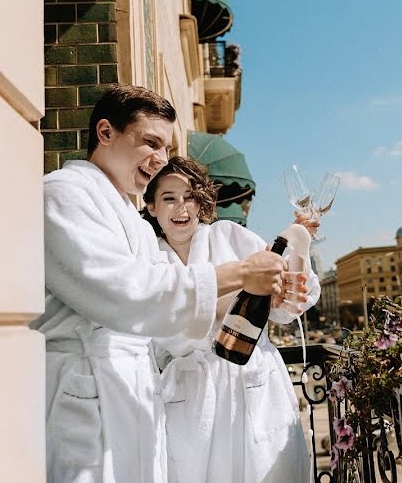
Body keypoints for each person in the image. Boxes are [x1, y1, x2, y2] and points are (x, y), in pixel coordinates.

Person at [31, 85, 288, 483]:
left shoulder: (131, 219)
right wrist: (239, 275)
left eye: (166, 148)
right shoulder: (63, 195)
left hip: (135, 396)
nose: (160, 160)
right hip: (86, 395)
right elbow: (131, 292)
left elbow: (175, 302)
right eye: (150, 142)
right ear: (105, 132)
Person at [142, 156, 321, 483]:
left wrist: (296, 254)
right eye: (169, 198)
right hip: (187, 396)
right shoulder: (148, 259)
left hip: (250, 383)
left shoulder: (230, 237)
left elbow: (286, 309)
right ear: (152, 206)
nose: (181, 207)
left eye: (190, 197)